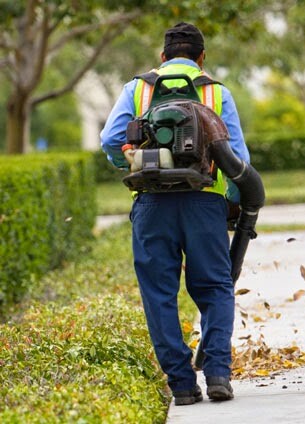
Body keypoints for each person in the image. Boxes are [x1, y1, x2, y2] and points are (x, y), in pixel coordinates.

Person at [101, 22, 250, 405]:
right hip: (205, 202)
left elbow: (109, 139)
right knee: (216, 287)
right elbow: (239, 161)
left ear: (162, 57)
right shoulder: (216, 92)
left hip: (151, 202)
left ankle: (182, 385)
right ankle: (218, 373)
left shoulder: (139, 89)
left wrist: (134, 161)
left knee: (159, 294)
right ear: (202, 58)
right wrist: (230, 202)